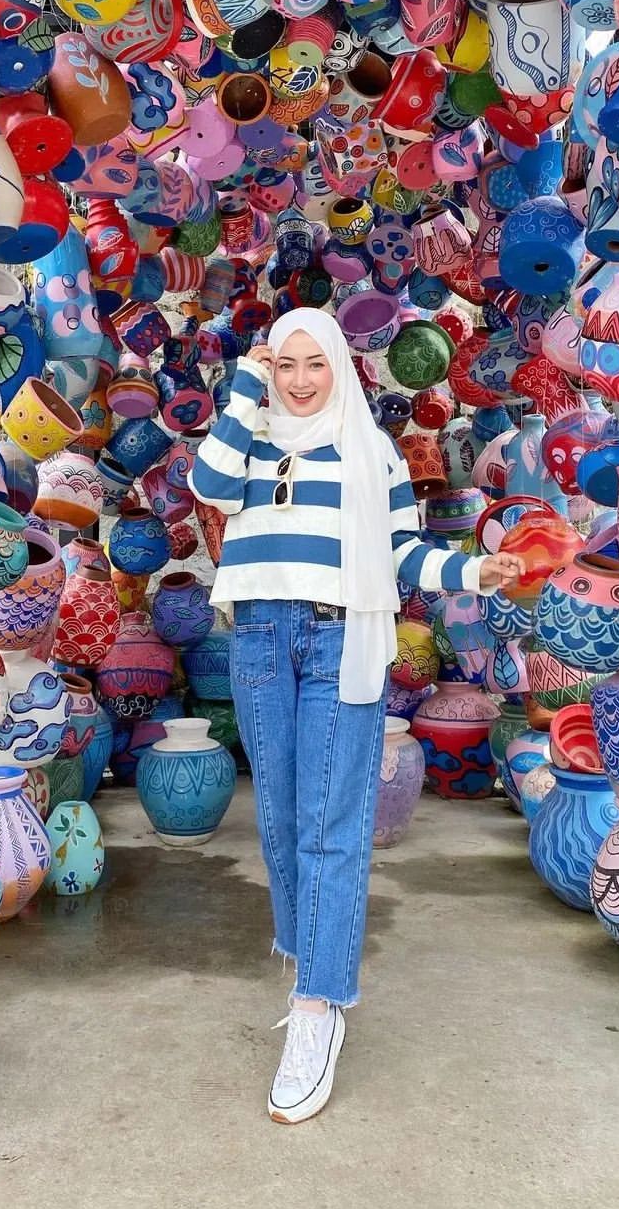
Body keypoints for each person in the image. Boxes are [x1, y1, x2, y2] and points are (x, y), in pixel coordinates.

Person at [188, 307, 524, 1125]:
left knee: (332, 825)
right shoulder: (251, 437)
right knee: (276, 819)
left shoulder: (373, 452)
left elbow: (406, 552)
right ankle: (308, 956)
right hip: (262, 635)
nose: (302, 380)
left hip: (342, 637)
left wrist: (475, 569)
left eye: (317, 364)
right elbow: (208, 487)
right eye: (287, 364)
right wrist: (244, 381)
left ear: (343, 365)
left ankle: (317, 1010)